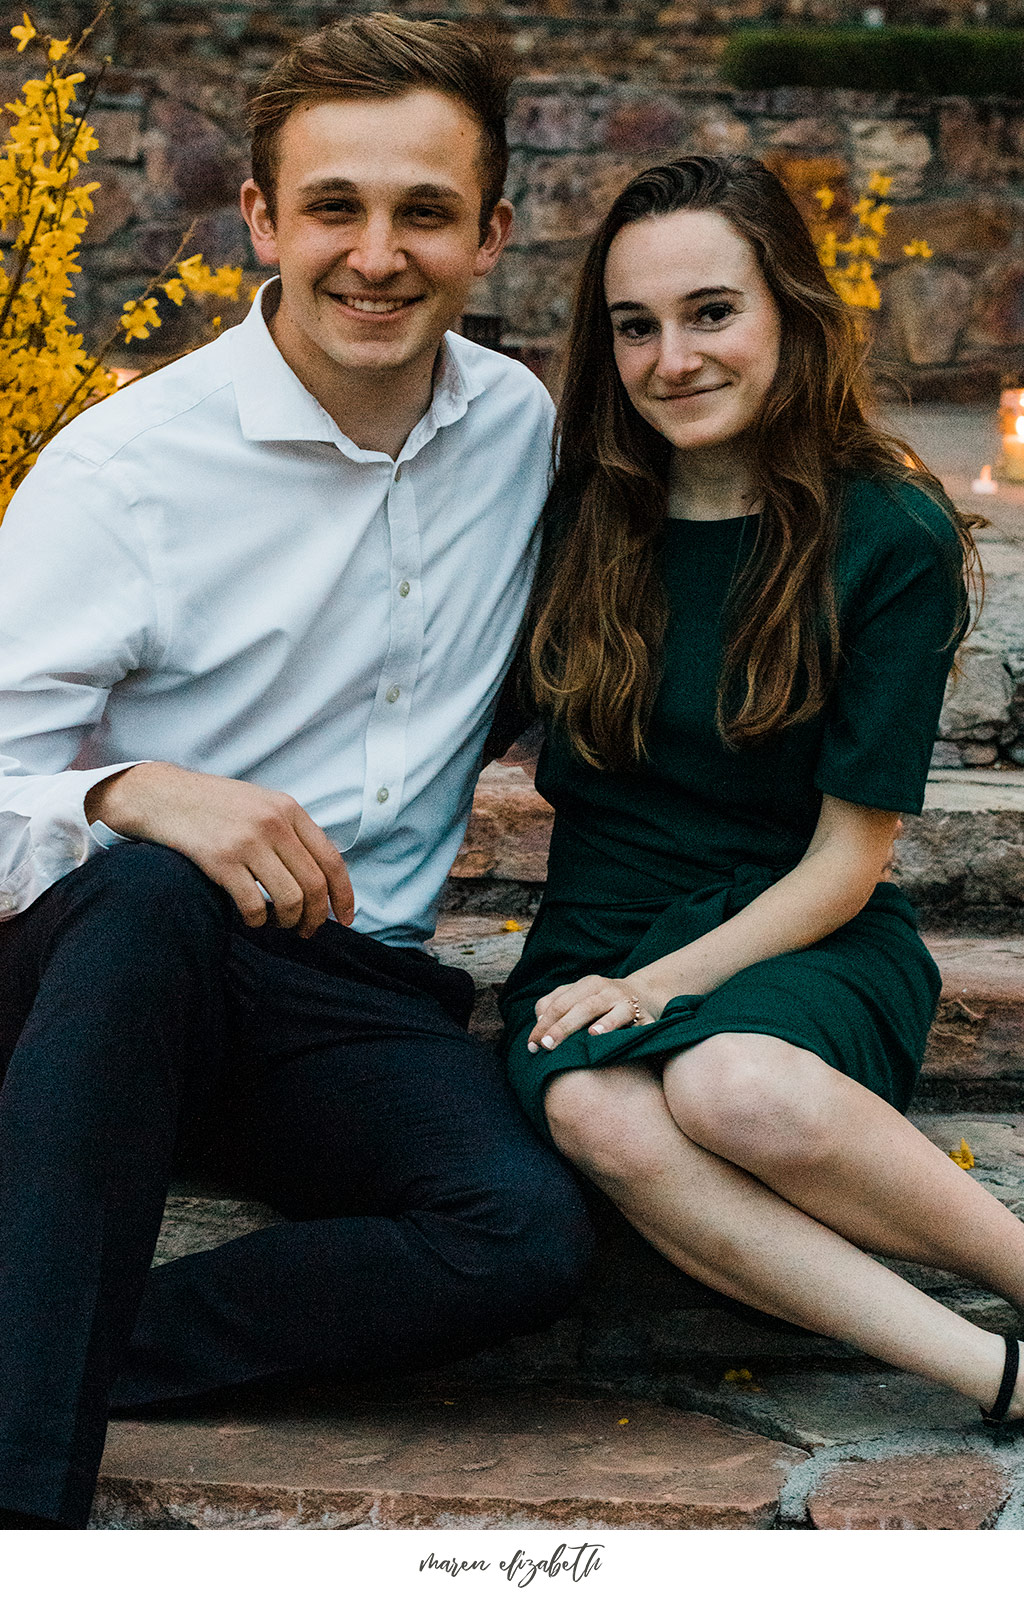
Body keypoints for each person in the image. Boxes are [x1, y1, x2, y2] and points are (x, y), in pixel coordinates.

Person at [0, 15, 592, 1529]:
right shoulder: (127, 471)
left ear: (492, 235)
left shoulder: (518, 427)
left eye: (424, 212)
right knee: (149, 895)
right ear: (261, 217)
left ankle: (71, 1344)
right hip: (102, 975)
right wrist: (128, 791)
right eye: (334, 206)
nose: (375, 255)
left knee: (522, 1233)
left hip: (348, 989)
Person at [500, 152, 1024, 1427]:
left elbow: (849, 859)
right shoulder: (583, 512)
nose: (671, 358)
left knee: (728, 1083)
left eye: (711, 312)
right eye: (636, 327)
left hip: (805, 927)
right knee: (594, 1108)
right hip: (596, 926)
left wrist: (662, 983)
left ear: (789, 307)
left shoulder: (887, 533)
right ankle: (994, 1375)